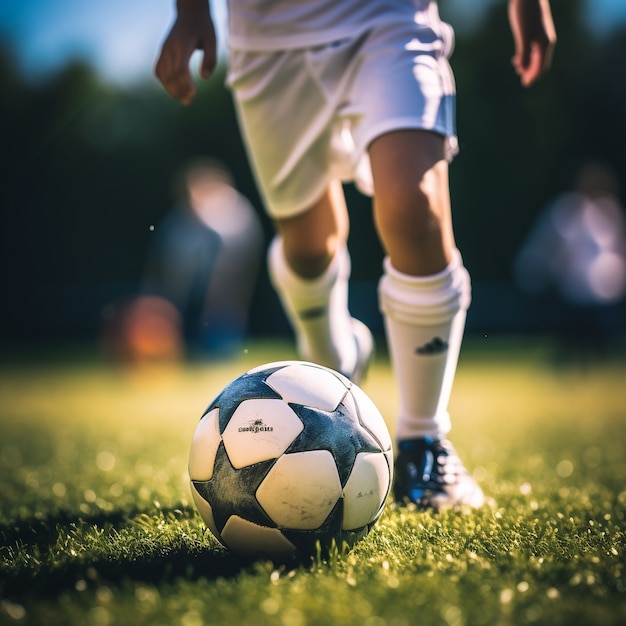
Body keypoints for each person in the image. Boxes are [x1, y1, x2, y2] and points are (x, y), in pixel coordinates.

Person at [155, 0, 556, 510]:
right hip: (268, 36)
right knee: (307, 246)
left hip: (390, 17)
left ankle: (424, 443)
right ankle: (335, 355)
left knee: (415, 209)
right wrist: (190, 12)